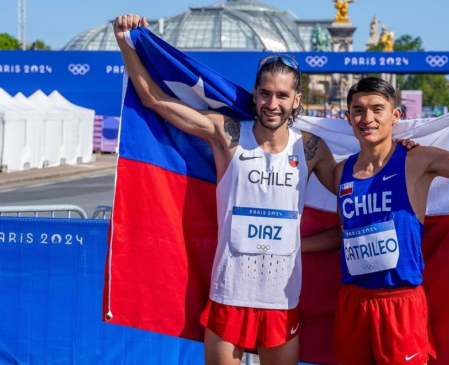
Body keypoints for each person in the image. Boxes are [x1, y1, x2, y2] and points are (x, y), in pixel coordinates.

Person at [112, 15, 416, 365]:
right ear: (255, 95)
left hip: (281, 299)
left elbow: (358, 193)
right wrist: (125, 41)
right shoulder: (228, 134)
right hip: (229, 292)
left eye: (282, 95)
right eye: (266, 93)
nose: (273, 103)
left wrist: (394, 150)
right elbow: (156, 101)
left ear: (296, 100)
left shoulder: (311, 148)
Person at [332, 77, 449, 365]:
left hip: (400, 304)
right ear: (348, 117)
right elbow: (342, 234)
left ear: (395, 116)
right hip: (353, 303)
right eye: (358, 110)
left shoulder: (416, 160)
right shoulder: (341, 171)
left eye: (377, 109)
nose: (368, 118)